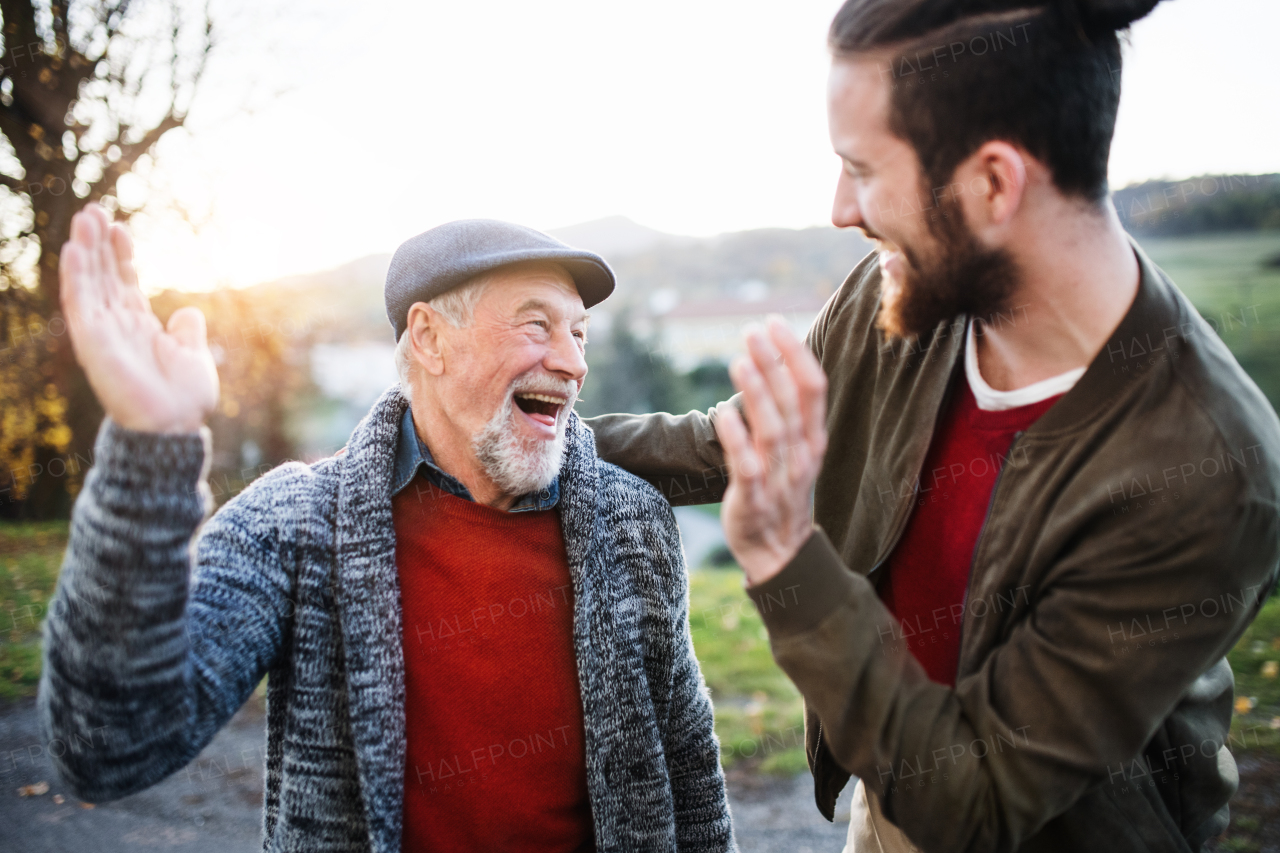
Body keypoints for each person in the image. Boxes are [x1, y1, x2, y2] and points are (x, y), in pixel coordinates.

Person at [587, 1, 1280, 851]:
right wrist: (542, 443)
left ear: (992, 183)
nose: (842, 209)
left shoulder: (1209, 468)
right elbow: (737, 441)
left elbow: (977, 801)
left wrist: (783, 558)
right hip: (887, 799)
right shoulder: (900, 294)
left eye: (863, 169)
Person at [39, 208, 735, 853]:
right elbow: (108, 745)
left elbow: (690, 773)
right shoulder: (297, 525)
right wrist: (148, 447)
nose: (573, 360)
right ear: (429, 338)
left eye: (578, 332)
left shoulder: (630, 519)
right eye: (536, 325)